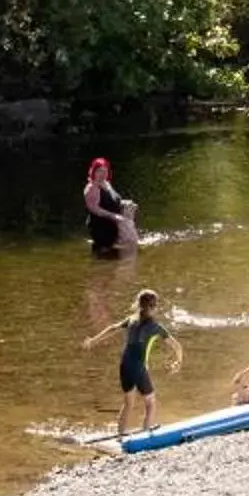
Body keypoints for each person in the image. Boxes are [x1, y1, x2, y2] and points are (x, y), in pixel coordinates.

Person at [87, 288, 178, 435]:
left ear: (138, 304)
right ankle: (145, 434)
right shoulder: (156, 327)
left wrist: (93, 340)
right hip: (138, 368)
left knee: (128, 403)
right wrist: (178, 360)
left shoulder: (131, 320)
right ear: (154, 307)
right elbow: (176, 345)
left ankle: (120, 435)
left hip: (124, 366)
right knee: (150, 402)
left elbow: (112, 328)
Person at [83, 157, 139, 258]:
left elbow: (111, 200)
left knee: (119, 256)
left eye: (105, 171)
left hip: (113, 224)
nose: (102, 174)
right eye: (99, 171)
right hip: (101, 227)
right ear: (93, 171)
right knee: (104, 258)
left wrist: (125, 203)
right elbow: (94, 208)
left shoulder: (106, 183)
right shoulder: (92, 188)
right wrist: (113, 216)